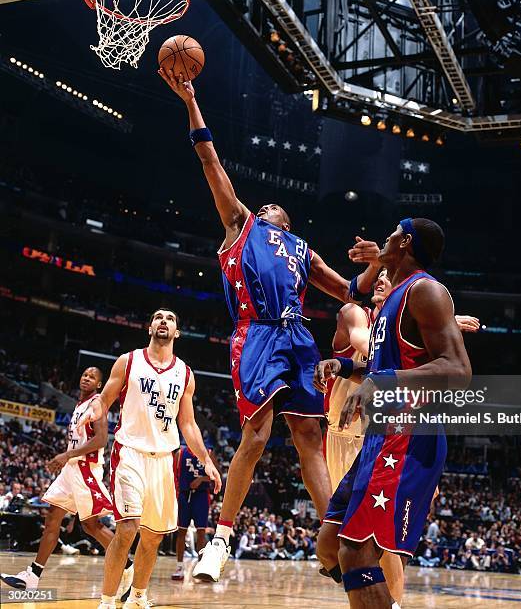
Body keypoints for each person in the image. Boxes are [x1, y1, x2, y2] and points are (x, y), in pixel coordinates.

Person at [159, 68, 382, 583]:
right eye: (262, 205)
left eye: (272, 206)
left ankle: (334, 536)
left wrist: (373, 261)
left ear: (288, 219)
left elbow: (353, 291)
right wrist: (192, 101)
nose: (265, 205)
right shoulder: (242, 225)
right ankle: (220, 539)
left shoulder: (303, 250)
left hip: (299, 339)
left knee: (308, 435)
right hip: (256, 334)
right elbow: (210, 159)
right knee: (257, 436)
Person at [315, 218, 472, 607]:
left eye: (389, 236)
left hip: (408, 435)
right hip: (379, 437)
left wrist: (379, 382)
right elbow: (387, 365)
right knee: (330, 546)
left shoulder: (426, 290)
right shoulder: (392, 300)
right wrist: (346, 368)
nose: (382, 240)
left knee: (358, 551)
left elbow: (457, 368)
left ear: (405, 243)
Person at [77, 309, 222, 609]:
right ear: (150, 328)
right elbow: (104, 398)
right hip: (129, 451)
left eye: (170, 318)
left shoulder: (185, 373)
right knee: (128, 527)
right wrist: (94, 410)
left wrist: (206, 459)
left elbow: (189, 424)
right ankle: (106, 601)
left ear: (177, 332)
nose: (164, 321)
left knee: (154, 536)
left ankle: (138, 596)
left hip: (164, 459)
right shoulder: (128, 361)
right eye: (158, 317)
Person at [1, 367, 133, 600]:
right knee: (52, 516)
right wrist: (68, 457)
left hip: (84, 469)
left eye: (92, 377)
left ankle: (128, 567)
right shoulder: (79, 405)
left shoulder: (97, 404)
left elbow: (101, 439)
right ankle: (32, 575)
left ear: (99, 385)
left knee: (92, 526)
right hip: (71, 468)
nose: (86, 378)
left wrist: (67, 455)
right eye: (84, 374)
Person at [171, 444, 218, 581]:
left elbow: (215, 475)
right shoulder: (180, 453)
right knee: (181, 532)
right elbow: (173, 474)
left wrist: (202, 479)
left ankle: (201, 567)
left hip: (201, 495)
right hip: (184, 495)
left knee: (201, 532)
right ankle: (179, 567)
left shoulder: (208, 452)